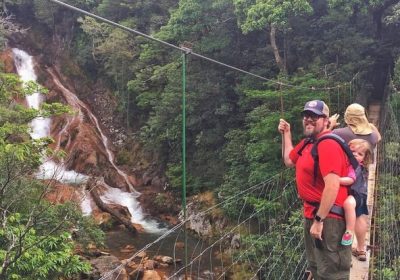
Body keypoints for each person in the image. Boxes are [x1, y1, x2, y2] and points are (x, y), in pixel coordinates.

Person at [278, 100, 352, 280]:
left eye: (314, 116)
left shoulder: (328, 144)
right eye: (306, 116)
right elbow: (289, 160)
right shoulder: (307, 143)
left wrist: (319, 220)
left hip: (328, 218)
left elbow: (332, 185)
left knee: (331, 273)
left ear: (326, 120)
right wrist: (286, 133)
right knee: (316, 266)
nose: (308, 120)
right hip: (312, 213)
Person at [332, 103, 381, 261]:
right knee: (360, 213)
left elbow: (326, 138)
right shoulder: (372, 134)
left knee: (340, 213)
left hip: (343, 179)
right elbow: (378, 138)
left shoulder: (339, 132)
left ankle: (343, 254)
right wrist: (371, 125)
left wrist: (330, 125)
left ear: (348, 117)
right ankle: (360, 249)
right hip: (361, 182)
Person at [339, 139, 372, 248]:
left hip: (357, 195)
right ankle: (361, 248)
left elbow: (351, 179)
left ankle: (349, 231)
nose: (355, 155)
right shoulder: (350, 163)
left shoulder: (355, 166)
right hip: (358, 192)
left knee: (349, 204)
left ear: (364, 158)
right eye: (352, 151)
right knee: (359, 217)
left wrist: (335, 180)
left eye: (360, 154)